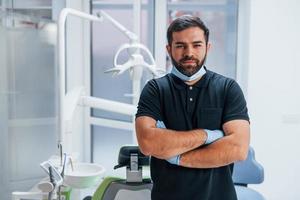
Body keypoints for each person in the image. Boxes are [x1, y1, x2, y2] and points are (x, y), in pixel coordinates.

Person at [135, 15, 250, 200]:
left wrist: (177, 157)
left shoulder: (228, 88)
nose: (189, 52)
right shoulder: (155, 89)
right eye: (180, 45)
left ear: (207, 47)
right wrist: (209, 135)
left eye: (197, 45)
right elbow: (148, 143)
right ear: (169, 49)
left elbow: (238, 148)